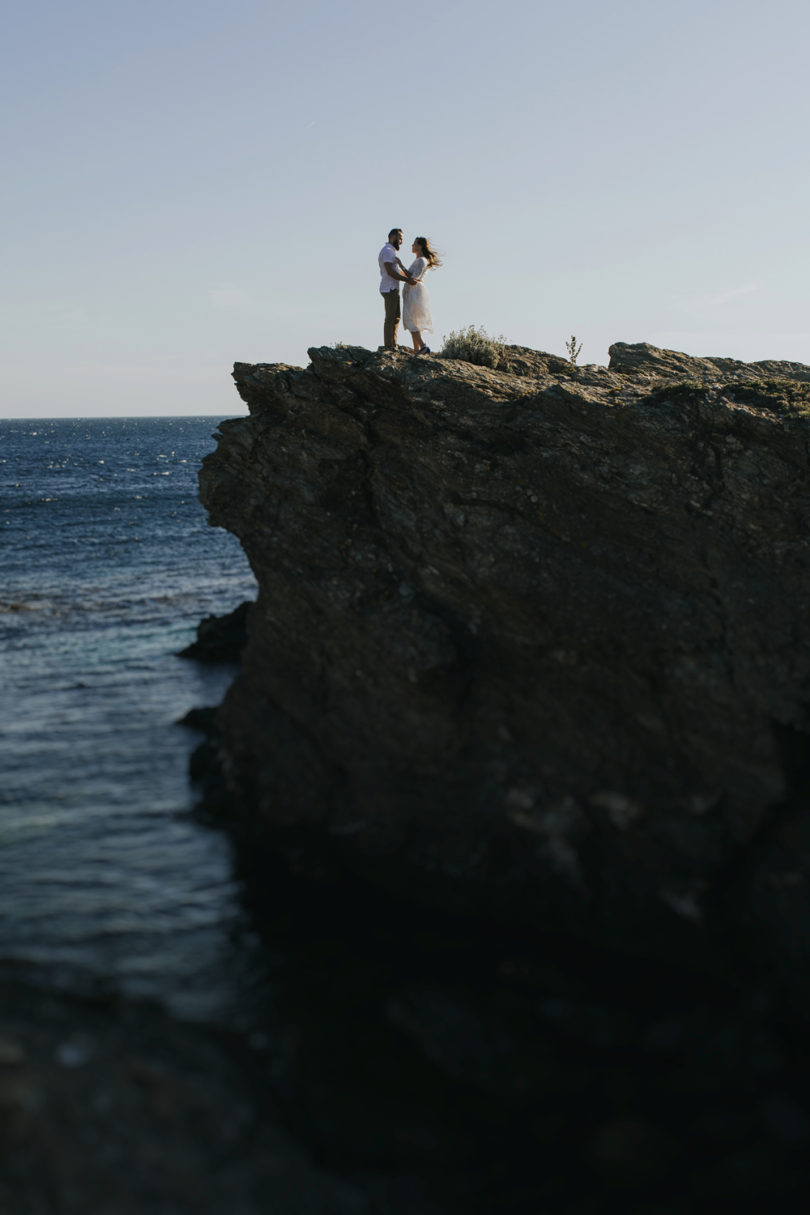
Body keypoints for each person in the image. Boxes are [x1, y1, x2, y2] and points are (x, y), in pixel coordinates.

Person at [402, 236, 441, 354]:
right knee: (413, 320)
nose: (412, 246)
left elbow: (413, 277)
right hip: (413, 289)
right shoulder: (419, 260)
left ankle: (423, 346)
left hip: (415, 290)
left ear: (419, 246)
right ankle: (416, 349)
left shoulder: (421, 261)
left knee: (411, 319)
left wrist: (400, 265)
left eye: (414, 244)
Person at [378, 229, 416, 349]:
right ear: (393, 237)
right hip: (389, 289)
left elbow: (395, 271)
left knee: (395, 317)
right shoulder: (388, 252)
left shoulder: (390, 252)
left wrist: (407, 274)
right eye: (400, 238)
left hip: (392, 288)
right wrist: (407, 280)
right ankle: (389, 346)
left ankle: (392, 344)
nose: (401, 241)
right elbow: (390, 272)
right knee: (390, 318)